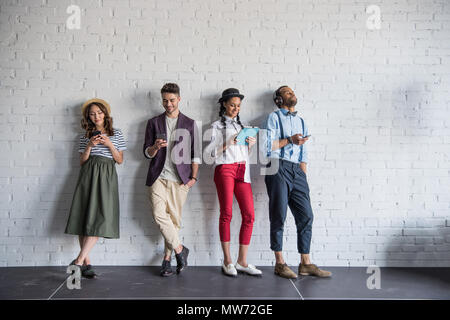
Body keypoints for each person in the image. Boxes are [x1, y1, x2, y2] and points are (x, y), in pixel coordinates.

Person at [263, 86, 331, 279]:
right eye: (287, 92)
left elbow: (304, 152)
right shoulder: (274, 118)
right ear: (279, 99)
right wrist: (289, 140)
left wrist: (303, 175)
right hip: (276, 166)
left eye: (293, 91)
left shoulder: (302, 121)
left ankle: (305, 263)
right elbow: (267, 145)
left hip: (297, 171)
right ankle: (280, 263)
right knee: (279, 214)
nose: (292, 93)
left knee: (306, 215)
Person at [65, 98, 127, 279]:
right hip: (88, 174)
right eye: (92, 114)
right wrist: (90, 146)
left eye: (99, 112)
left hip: (106, 176)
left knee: (100, 217)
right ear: (88, 117)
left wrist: (109, 144)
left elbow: (120, 160)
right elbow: (82, 162)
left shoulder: (117, 133)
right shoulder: (85, 136)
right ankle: (86, 263)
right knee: (84, 217)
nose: (96, 116)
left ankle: (77, 261)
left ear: (105, 114)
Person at [143, 83, 200, 277]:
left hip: (180, 179)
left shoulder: (190, 124)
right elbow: (146, 153)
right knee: (160, 215)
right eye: (165, 100)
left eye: (172, 100)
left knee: (173, 221)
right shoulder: (153, 122)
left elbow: (196, 154)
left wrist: (193, 177)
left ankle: (166, 260)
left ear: (179, 100)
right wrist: (155, 147)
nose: (168, 104)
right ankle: (180, 250)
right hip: (158, 176)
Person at [206, 88, 262, 277]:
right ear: (223, 104)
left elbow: (246, 155)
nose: (236, 108)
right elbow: (209, 154)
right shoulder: (215, 126)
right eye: (232, 105)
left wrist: (250, 145)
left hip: (242, 170)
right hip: (225, 169)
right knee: (227, 213)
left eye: (238, 106)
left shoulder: (244, 126)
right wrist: (229, 142)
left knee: (249, 215)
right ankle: (227, 260)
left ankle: (242, 261)